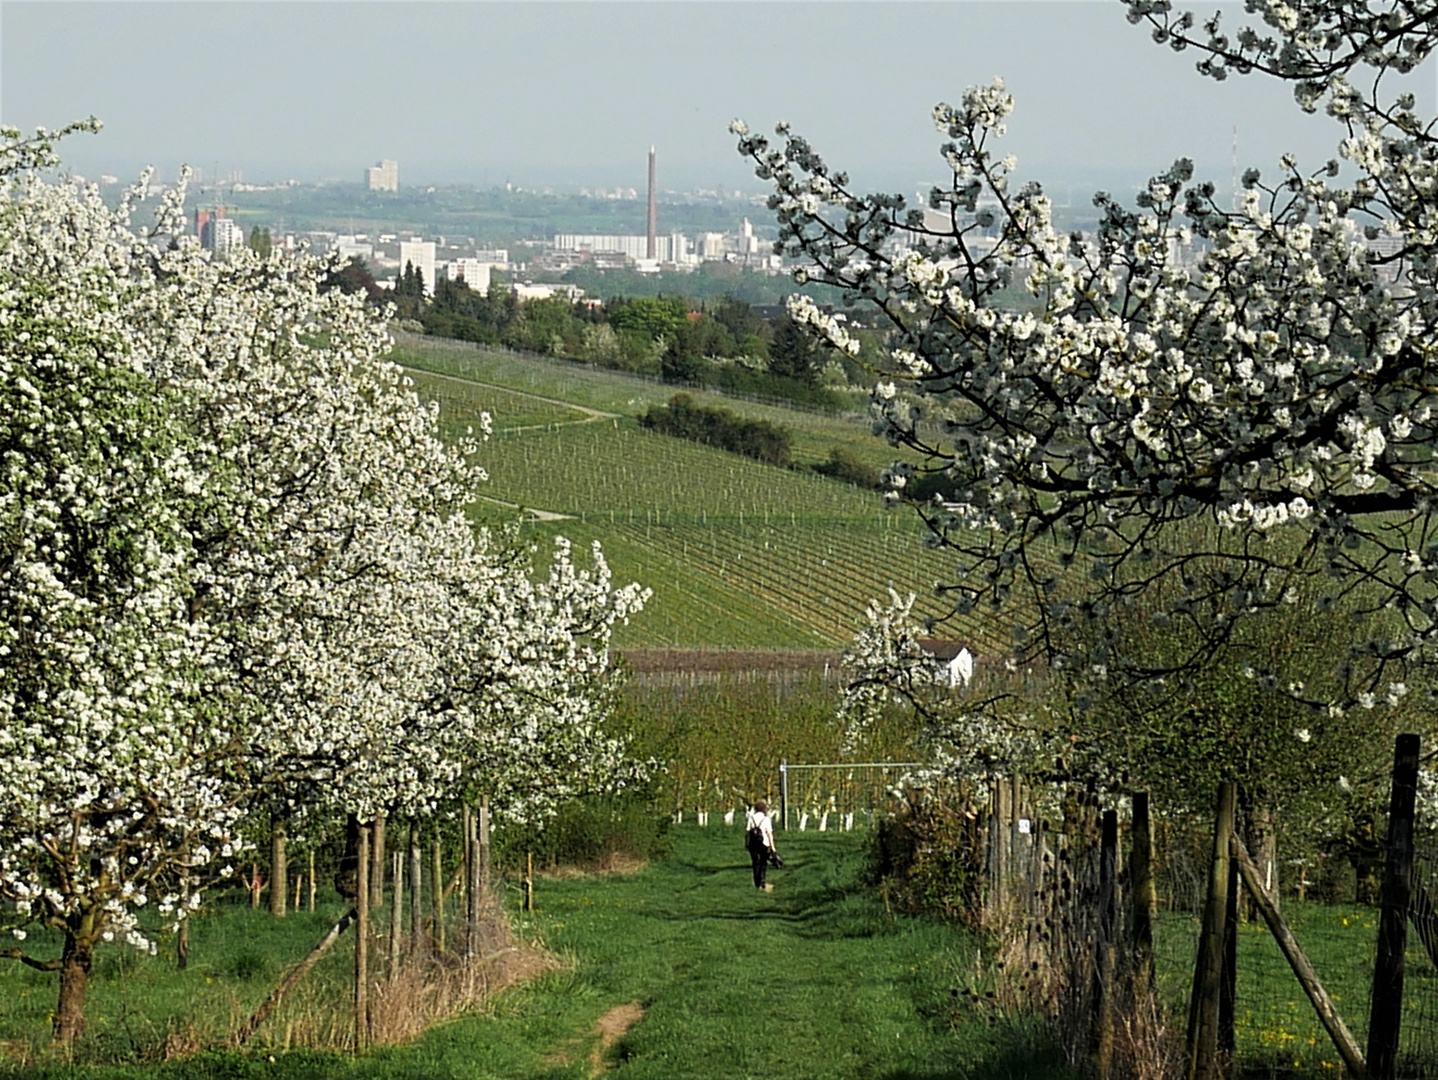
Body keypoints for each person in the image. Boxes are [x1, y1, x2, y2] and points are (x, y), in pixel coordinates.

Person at [744, 800, 777, 890]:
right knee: (763, 862)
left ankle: (756, 882)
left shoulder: (751, 818)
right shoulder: (766, 819)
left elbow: (747, 832)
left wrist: (746, 843)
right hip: (764, 843)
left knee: (755, 862)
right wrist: (772, 846)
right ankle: (762, 880)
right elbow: (769, 833)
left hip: (753, 843)